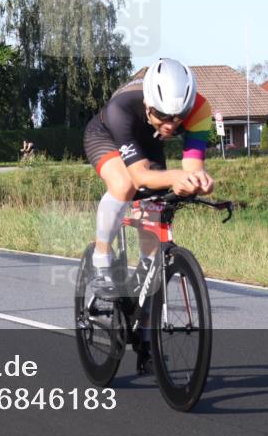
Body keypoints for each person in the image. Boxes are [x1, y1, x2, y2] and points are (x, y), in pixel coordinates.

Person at [82, 58, 215, 372]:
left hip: (148, 146)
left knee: (152, 248)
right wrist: (173, 178)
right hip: (108, 137)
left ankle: (144, 334)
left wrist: (199, 182)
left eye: (178, 118)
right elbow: (141, 176)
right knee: (125, 184)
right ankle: (102, 259)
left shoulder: (200, 111)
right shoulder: (122, 109)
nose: (171, 125)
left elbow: (191, 168)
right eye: (163, 116)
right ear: (147, 103)